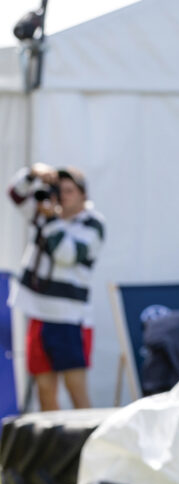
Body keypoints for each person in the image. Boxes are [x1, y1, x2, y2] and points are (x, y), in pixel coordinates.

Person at [6, 163, 105, 411]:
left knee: (75, 389)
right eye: (59, 190)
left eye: (70, 190)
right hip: (38, 314)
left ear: (83, 194)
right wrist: (33, 172)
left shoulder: (93, 223)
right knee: (45, 391)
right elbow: (15, 194)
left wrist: (50, 220)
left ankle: (86, 447)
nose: (63, 196)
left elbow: (66, 255)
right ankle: (53, 448)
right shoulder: (45, 213)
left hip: (69, 318)